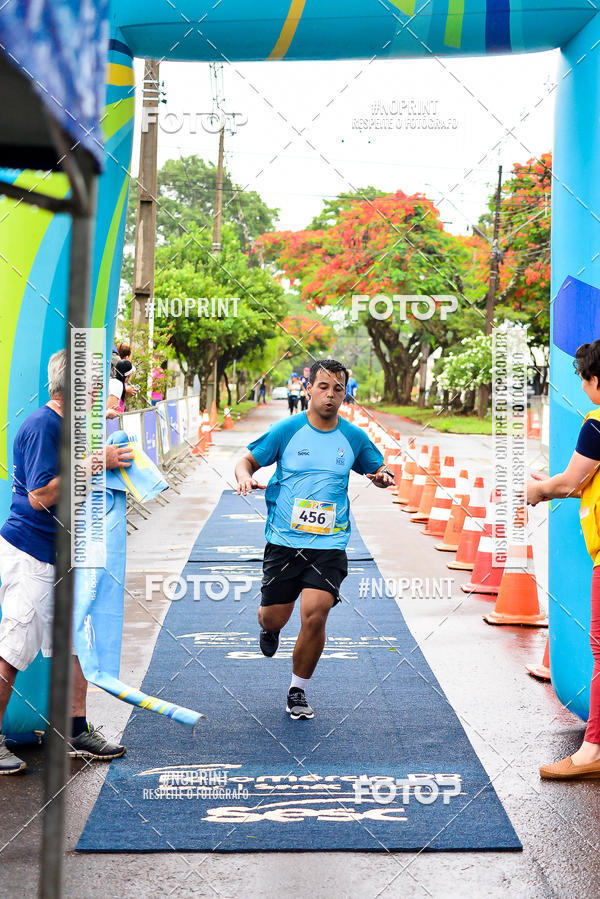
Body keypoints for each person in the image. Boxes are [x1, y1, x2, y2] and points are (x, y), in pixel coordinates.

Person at [234, 358, 394, 720]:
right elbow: (246, 461)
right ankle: (269, 628)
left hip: (329, 544)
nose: (330, 395)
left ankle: (297, 690)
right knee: (274, 617)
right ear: (308, 388)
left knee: (316, 615)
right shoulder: (287, 430)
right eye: (323, 386)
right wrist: (244, 477)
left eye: (338, 389)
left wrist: (382, 475)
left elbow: (376, 465)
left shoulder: (352, 437)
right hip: (284, 541)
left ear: (345, 394)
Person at [0, 350, 133, 774]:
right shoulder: (43, 426)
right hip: (31, 554)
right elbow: (40, 497)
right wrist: (99, 462)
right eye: (93, 382)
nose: (98, 389)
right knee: (13, 649)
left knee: (75, 641)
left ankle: (75, 730)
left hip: (58, 555)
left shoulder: (67, 427)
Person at [527, 340, 600, 780]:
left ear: (595, 381)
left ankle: (591, 751)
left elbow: (572, 480)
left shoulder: (597, 423)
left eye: (584, 380)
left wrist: (539, 489)